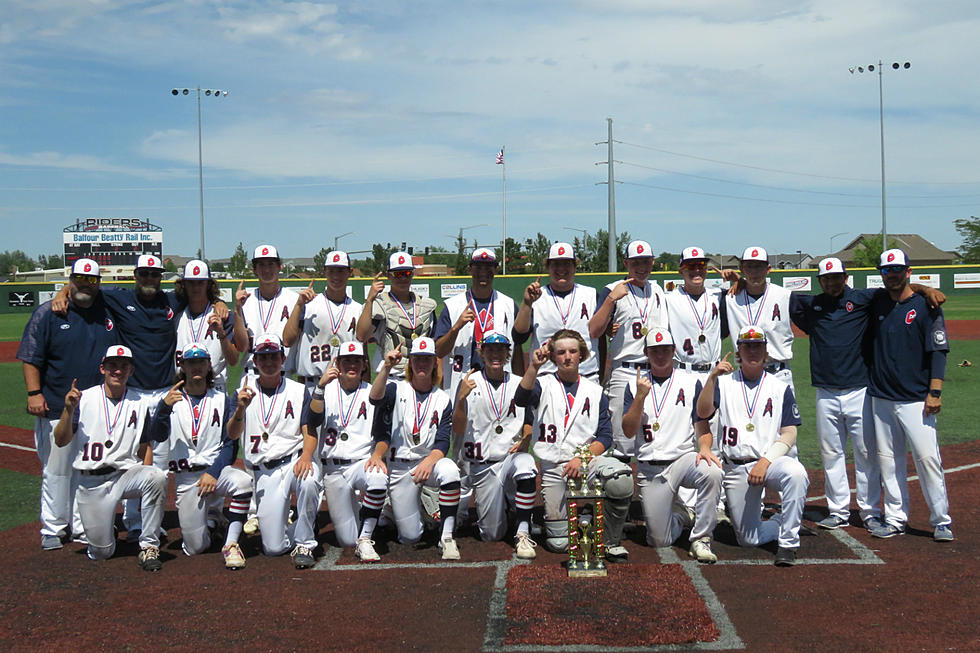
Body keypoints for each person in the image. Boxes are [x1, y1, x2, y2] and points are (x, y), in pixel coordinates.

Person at [18, 258, 118, 550]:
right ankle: (53, 526)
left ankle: (81, 524)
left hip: (95, 408)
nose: (85, 284)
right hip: (55, 404)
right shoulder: (48, 313)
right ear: (69, 279)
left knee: (88, 468)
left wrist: (65, 290)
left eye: (91, 280)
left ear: (98, 283)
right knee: (57, 468)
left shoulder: (107, 308)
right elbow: (30, 357)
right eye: (78, 279)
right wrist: (33, 393)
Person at [514, 329, 634, 560]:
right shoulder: (542, 384)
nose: (567, 356)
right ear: (553, 357)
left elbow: (606, 436)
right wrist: (533, 367)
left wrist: (582, 458)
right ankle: (583, 518)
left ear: (582, 355)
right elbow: (520, 399)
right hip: (554, 464)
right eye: (560, 352)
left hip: (588, 461)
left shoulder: (595, 390)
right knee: (559, 543)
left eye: (572, 351)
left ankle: (609, 538)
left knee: (620, 479)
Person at [695, 327, 809, 567]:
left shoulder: (780, 387)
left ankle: (788, 544)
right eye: (747, 346)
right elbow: (703, 412)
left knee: (797, 473)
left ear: (766, 350)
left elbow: (790, 433)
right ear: (739, 351)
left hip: (770, 462)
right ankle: (780, 522)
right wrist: (711, 378)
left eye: (758, 346)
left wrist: (766, 461)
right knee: (748, 539)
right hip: (736, 467)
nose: (753, 351)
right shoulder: (724, 383)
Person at [52, 346, 168, 571]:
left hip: (125, 474)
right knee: (102, 552)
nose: (118, 371)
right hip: (92, 480)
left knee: (156, 476)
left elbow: (145, 447)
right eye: (113, 365)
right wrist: (67, 410)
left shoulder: (139, 402)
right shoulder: (83, 398)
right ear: (102, 368)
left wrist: (146, 484)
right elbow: (60, 440)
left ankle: (149, 546)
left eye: (124, 366)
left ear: (131, 370)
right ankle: (106, 530)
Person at [866, 249, 953, 542]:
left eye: (897, 270)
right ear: (882, 273)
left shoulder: (927, 306)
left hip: (917, 399)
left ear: (908, 271)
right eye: (887, 270)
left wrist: (935, 392)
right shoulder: (877, 301)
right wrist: (924, 286)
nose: (892, 274)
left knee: (928, 459)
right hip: (882, 398)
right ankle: (895, 518)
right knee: (888, 461)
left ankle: (941, 520)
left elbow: (938, 350)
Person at [621, 327, 723, 563]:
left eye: (665, 350)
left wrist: (705, 448)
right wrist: (639, 397)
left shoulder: (691, 382)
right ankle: (682, 516)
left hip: (682, 460)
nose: (660, 356)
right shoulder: (634, 384)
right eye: (655, 351)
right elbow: (628, 431)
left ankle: (702, 537)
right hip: (650, 468)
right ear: (646, 352)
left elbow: (702, 423)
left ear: (674, 351)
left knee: (712, 471)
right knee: (658, 540)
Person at [148, 343, 253, 569]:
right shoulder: (170, 400)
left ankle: (232, 541)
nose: (196, 366)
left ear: (208, 366)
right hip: (187, 479)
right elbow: (155, 435)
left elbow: (230, 445)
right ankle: (214, 522)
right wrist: (164, 410)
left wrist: (213, 473)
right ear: (182, 366)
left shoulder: (222, 398)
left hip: (215, 471)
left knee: (243, 482)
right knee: (195, 548)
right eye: (191, 362)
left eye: (201, 362)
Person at [228, 334, 322, 568]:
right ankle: (300, 523)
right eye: (263, 357)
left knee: (309, 479)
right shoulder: (243, 391)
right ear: (255, 361)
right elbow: (231, 434)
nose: (268, 362)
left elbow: (310, 431)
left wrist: (307, 457)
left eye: (273, 356)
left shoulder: (299, 390)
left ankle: (305, 543)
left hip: (293, 461)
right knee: (273, 547)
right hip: (263, 471)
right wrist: (240, 409)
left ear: (282, 359)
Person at [368, 337, 462, 560]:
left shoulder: (443, 399)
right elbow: (374, 398)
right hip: (399, 468)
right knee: (411, 537)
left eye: (427, 360)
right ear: (410, 363)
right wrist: (387, 367)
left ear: (434, 363)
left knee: (450, 470)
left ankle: (447, 537)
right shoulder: (395, 388)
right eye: (417, 359)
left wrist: (429, 461)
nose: (422, 364)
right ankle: (396, 509)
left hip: (427, 463)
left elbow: (442, 442)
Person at [451, 331, 539, 558]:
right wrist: (460, 400)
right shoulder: (469, 382)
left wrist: (525, 439)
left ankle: (522, 531)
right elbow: (458, 428)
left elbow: (528, 421)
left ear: (508, 353)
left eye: (500, 350)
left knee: (527, 464)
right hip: (482, 466)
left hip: (508, 460)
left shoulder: (520, 383)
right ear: (481, 352)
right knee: (491, 535)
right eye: (490, 350)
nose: (495, 355)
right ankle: (509, 507)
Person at [306, 341, 389, 563]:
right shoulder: (325, 390)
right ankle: (362, 517)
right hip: (332, 469)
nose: (351, 365)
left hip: (360, 464)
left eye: (356, 361)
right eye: (346, 361)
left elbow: (383, 435)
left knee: (379, 478)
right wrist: (320, 387)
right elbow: (312, 421)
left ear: (363, 365)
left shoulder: (373, 392)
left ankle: (366, 537)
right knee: (346, 540)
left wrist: (377, 455)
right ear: (338, 363)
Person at [588, 239, 668, 465]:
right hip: (624, 370)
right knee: (621, 439)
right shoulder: (612, 289)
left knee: (653, 434)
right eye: (635, 263)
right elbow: (594, 330)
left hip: (654, 372)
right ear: (626, 263)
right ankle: (619, 493)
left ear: (653, 262)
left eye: (646, 261)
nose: (641, 268)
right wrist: (612, 299)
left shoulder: (659, 291)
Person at [435, 248, 519, 398]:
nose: (483, 272)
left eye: (488, 267)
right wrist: (456, 328)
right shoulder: (452, 306)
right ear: (470, 269)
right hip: (461, 382)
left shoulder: (509, 305)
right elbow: (439, 351)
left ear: (496, 269)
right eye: (478, 267)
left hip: (500, 386)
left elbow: (517, 348)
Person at [514, 243, 600, 379]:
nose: (561, 269)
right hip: (546, 375)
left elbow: (599, 339)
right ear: (548, 267)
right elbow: (519, 337)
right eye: (556, 264)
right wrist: (527, 303)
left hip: (586, 375)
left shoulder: (591, 295)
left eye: (567, 264)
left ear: (575, 266)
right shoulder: (536, 296)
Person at [283, 250, 363, 390]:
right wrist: (298, 305)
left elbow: (364, 353)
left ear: (349, 272)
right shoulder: (308, 306)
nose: (336, 276)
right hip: (312, 383)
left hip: (346, 386)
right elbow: (287, 340)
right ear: (324, 272)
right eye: (331, 271)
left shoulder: (357, 309)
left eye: (340, 271)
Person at [357, 251, 438, 380]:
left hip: (420, 379)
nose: (403, 278)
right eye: (398, 274)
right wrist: (369, 301)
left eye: (407, 273)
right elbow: (362, 336)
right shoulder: (379, 305)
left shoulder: (427, 306)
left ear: (412, 274)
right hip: (391, 377)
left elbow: (435, 345)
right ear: (389, 275)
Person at [725, 247, 795, 389]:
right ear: (742, 269)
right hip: (744, 376)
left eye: (759, 267)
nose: (754, 272)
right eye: (749, 267)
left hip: (779, 373)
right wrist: (739, 280)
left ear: (768, 269)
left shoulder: (786, 296)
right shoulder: (729, 298)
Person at [233, 244, 300, 375]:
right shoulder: (244, 301)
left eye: (271, 264)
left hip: (282, 374)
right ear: (254, 269)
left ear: (279, 267)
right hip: (252, 374)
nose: (267, 269)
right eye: (261, 265)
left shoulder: (294, 300)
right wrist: (237, 309)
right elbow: (241, 347)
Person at [174, 259, 240, 393]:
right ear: (184, 284)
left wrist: (221, 333)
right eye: (191, 283)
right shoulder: (175, 314)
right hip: (182, 388)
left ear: (209, 284)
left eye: (200, 282)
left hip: (215, 388)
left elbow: (233, 360)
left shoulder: (223, 316)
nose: (196, 287)